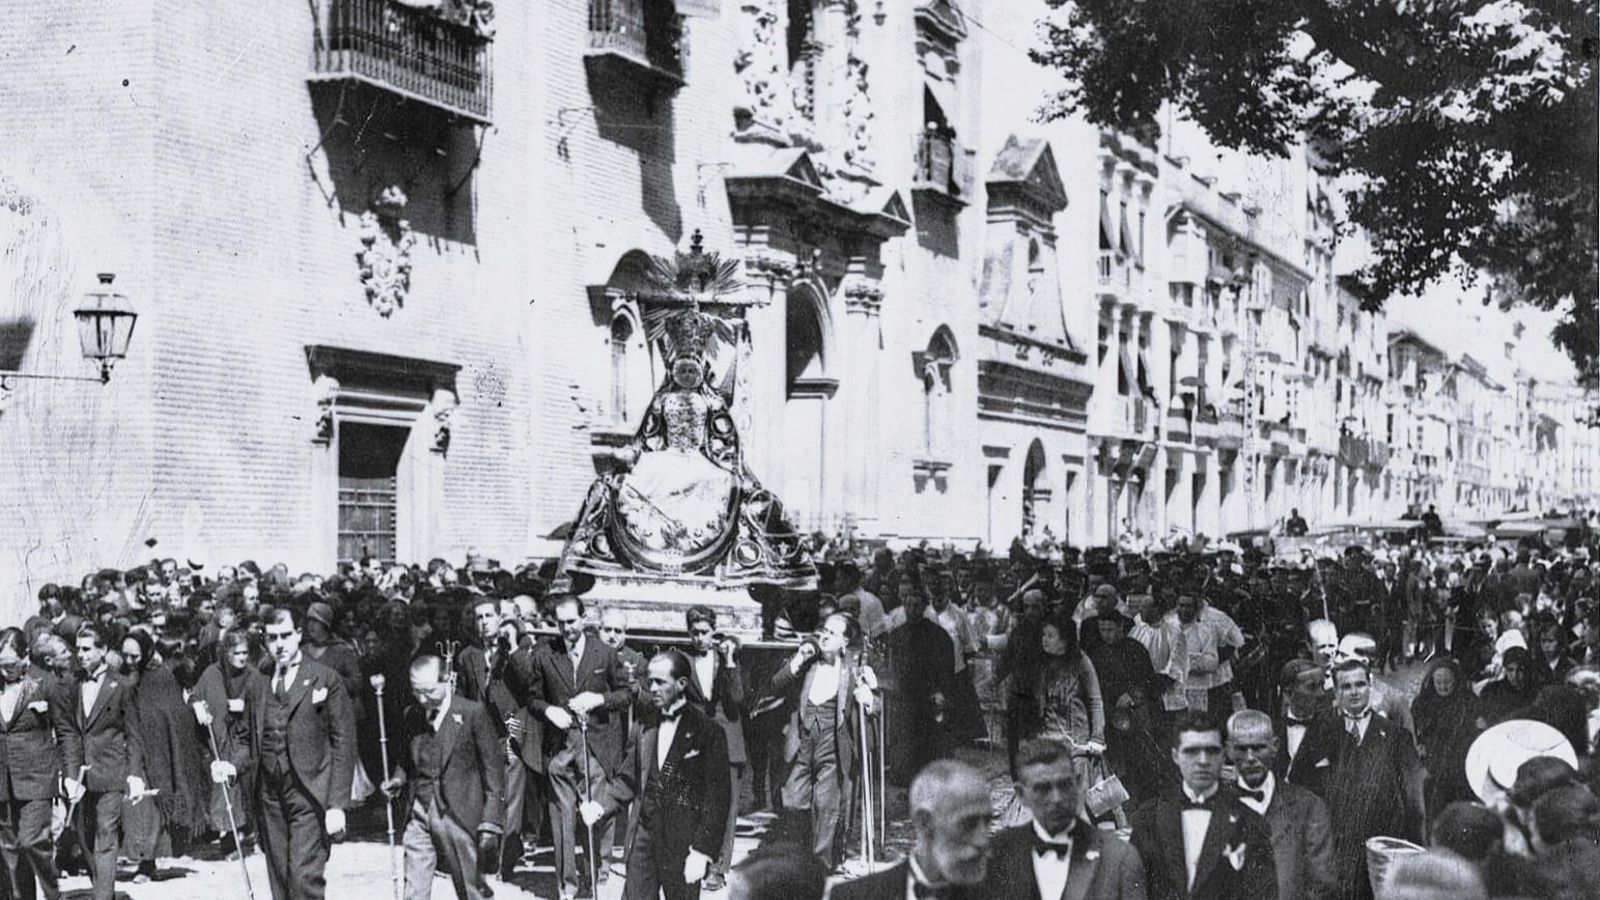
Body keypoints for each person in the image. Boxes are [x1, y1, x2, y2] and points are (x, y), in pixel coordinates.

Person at [227, 605, 355, 900]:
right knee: (280, 879)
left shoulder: (325, 678)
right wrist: (232, 766)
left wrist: (337, 804)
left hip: (309, 793)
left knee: (303, 877)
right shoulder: (258, 681)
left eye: (286, 635)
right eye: (272, 638)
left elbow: (343, 743)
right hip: (270, 794)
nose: (279, 644)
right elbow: (247, 737)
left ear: (299, 634)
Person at [580, 650, 731, 900]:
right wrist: (600, 805)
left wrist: (703, 851)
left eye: (660, 682)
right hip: (643, 836)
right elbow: (628, 778)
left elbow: (717, 799)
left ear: (681, 683)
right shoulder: (644, 725)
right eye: (649, 681)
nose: (652, 688)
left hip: (684, 843)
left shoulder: (708, 731)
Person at [519, 595, 632, 900]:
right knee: (562, 820)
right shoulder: (545, 656)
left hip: (594, 748)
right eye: (560, 623)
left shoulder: (605, 654)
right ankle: (566, 889)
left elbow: (627, 693)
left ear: (584, 619)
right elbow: (532, 698)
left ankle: (592, 882)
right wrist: (548, 712)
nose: (567, 629)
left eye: (572, 621)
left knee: (591, 817)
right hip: (559, 750)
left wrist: (599, 700)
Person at [1287, 659, 1422, 900]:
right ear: (1337, 692)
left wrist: (1414, 854)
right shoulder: (1321, 728)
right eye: (1346, 687)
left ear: (1370, 685)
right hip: (1332, 851)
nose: (1354, 692)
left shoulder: (1395, 737)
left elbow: (1413, 802)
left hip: (1377, 854)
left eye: (1360, 684)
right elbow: (1298, 784)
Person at [379, 654, 504, 900]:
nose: (423, 699)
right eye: (417, 692)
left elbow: (494, 773)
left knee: (471, 891)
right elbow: (406, 760)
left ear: (445, 680)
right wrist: (397, 779)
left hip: (460, 816)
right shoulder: (412, 715)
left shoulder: (472, 713)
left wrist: (491, 822)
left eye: (428, 692)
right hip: (420, 812)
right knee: (414, 891)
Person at [1127, 711, 1278, 900]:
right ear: (1175, 756)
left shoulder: (1251, 824)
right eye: (1191, 751)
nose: (1203, 761)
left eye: (1211, 751)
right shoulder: (1148, 820)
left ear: (1224, 756)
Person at [768, 611, 878, 868]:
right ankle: (799, 852)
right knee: (793, 800)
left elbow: (878, 702)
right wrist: (798, 659)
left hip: (834, 745)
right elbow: (776, 684)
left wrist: (869, 697)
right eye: (824, 631)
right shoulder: (808, 662)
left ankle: (820, 865)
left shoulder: (854, 669)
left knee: (827, 805)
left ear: (845, 642)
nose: (825, 636)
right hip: (802, 743)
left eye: (832, 633)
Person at [983, 737, 1146, 899]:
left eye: (1064, 785)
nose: (1056, 799)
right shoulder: (998, 853)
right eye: (1042, 789)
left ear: (1078, 784)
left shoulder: (1118, 857)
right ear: (1021, 795)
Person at [58, 622, 146, 900]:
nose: (80, 655)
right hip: (83, 777)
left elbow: (133, 733)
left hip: (111, 772)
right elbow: (70, 732)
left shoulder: (121, 685)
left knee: (105, 836)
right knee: (85, 837)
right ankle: (101, 889)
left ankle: (103, 897)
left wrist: (134, 774)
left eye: (87, 649)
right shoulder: (72, 683)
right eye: (78, 650)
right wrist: (70, 775)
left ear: (103, 650)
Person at [828, 759, 991, 900]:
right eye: (968, 824)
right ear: (924, 822)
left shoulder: (1004, 894)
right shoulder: (854, 897)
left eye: (988, 822)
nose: (983, 840)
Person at [1224, 710, 1335, 900]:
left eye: (1259, 748)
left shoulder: (1309, 807)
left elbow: (1323, 884)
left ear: (1274, 746)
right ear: (1229, 750)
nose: (1250, 757)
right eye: (1242, 749)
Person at [681, 606, 744, 892]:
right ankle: (699, 861)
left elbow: (737, 699)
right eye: (695, 633)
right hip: (696, 742)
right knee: (696, 805)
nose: (700, 638)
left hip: (728, 742)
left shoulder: (727, 660)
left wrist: (730, 662)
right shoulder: (682, 661)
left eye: (705, 632)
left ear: (713, 632)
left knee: (727, 809)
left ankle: (718, 869)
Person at [0, 628, 62, 900]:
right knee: (10, 850)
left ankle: (53, 894)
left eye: (10, 666)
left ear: (25, 656)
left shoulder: (45, 683)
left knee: (32, 840)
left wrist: (68, 774)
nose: (4, 673)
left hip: (37, 776)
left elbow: (66, 730)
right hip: (3, 778)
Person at [193, 627, 263, 856]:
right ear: (226, 653)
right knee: (224, 789)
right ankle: (230, 834)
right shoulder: (212, 673)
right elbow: (196, 694)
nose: (242, 657)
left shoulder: (253, 676)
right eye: (236, 653)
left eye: (245, 652)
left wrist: (247, 706)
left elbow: (264, 704)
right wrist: (198, 708)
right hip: (219, 740)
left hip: (244, 742)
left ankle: (247, 833)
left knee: (245, 790)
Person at [1032, 615, 1106, 786]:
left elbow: (1096, 701)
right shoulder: (1044, 663)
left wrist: (1097, 737)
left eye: (1051, 636)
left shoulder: (1081, 662)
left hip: (1074, 740)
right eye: (1044, 635)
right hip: (1048, 737)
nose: (1045, 640)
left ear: (1065, 639)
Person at [1409, 657, 1480, 817]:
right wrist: (1418, 743)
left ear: (1455, 680)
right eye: (1438, 681)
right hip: (1432, 762)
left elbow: (1476, 730)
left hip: (1460, 762)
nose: (1443, 686)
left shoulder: (1468, 701)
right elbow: (1412, 730)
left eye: (1447, 681)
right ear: (1432, 681)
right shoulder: (1422, 702)